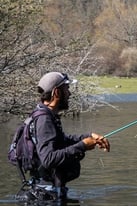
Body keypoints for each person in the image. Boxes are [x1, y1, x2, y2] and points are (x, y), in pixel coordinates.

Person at [22, 71, 110, 201]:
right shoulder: (44, 120)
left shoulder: (46, 115)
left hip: (48, 194)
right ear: (57, 92)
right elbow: (48, 159)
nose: (69, 94)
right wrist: (83, 146)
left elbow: (60, 141)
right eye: (67, 89)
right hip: (45, 197)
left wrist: (89, 136)